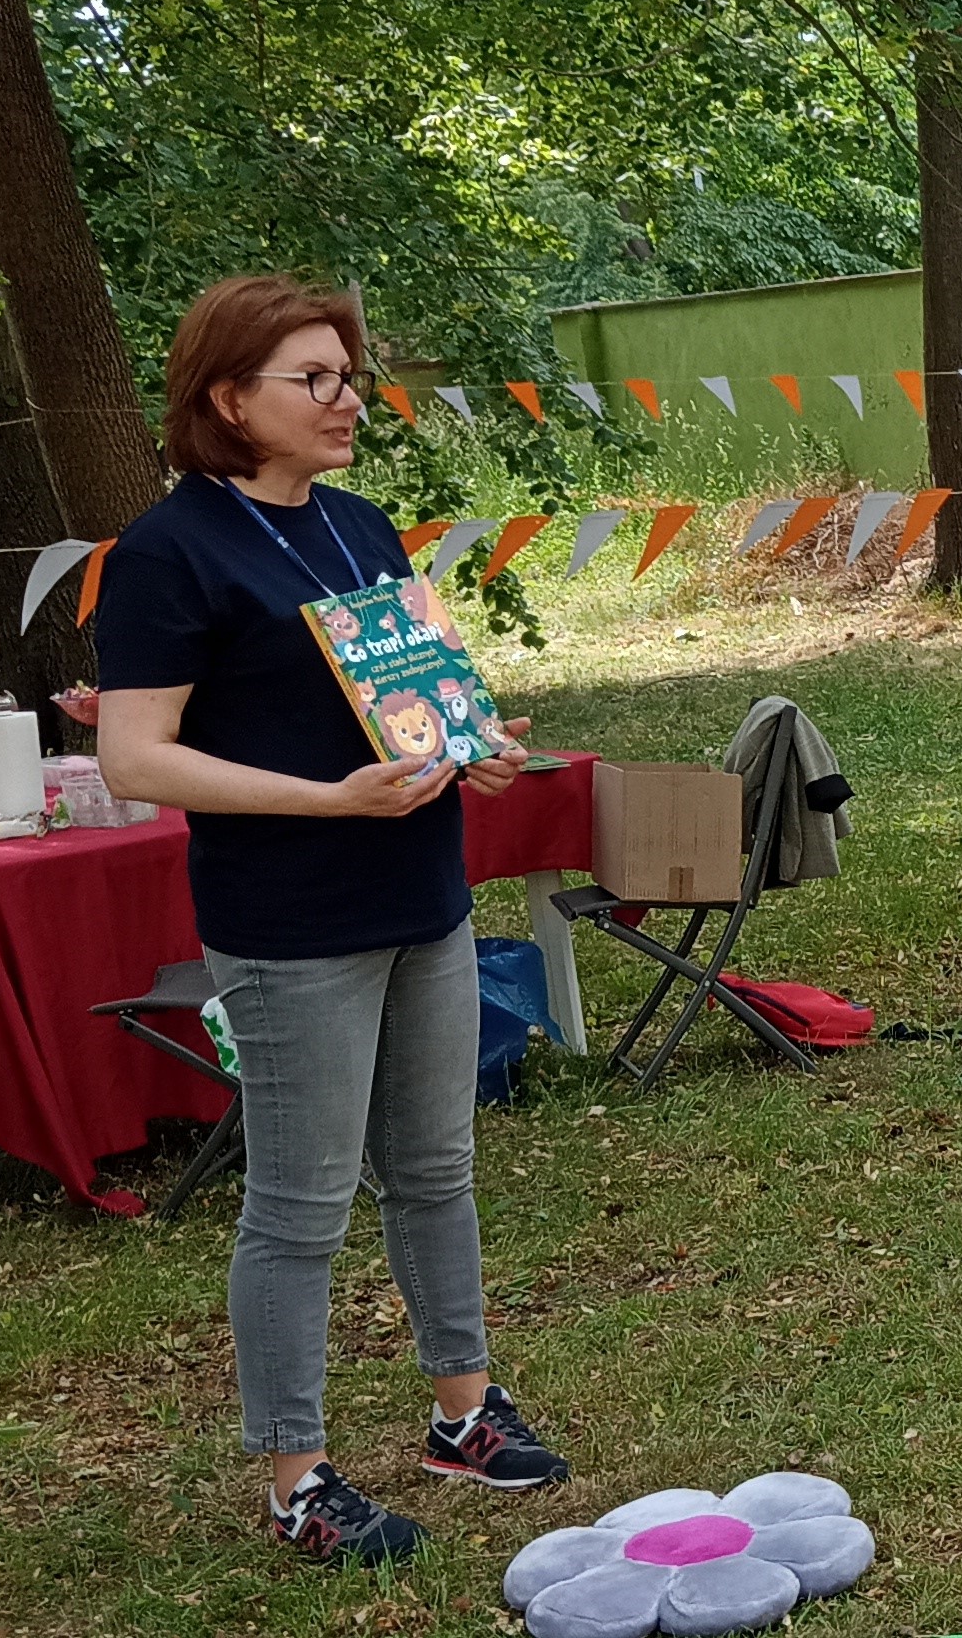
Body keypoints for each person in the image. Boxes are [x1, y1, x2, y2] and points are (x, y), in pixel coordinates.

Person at [94, 274, 569, 1566]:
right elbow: (137, 758)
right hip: (290, 919)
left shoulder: (363, 527)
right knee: (300, 1208)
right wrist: (323, 801)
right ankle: (299, 1475)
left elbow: (411, 700)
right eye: (316, 379)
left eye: (349, 375)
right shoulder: (165, 554)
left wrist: (475, 745)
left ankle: (462, 1414)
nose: (347, 398)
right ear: (228, 400)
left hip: (422, 893)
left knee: (436, 1169)